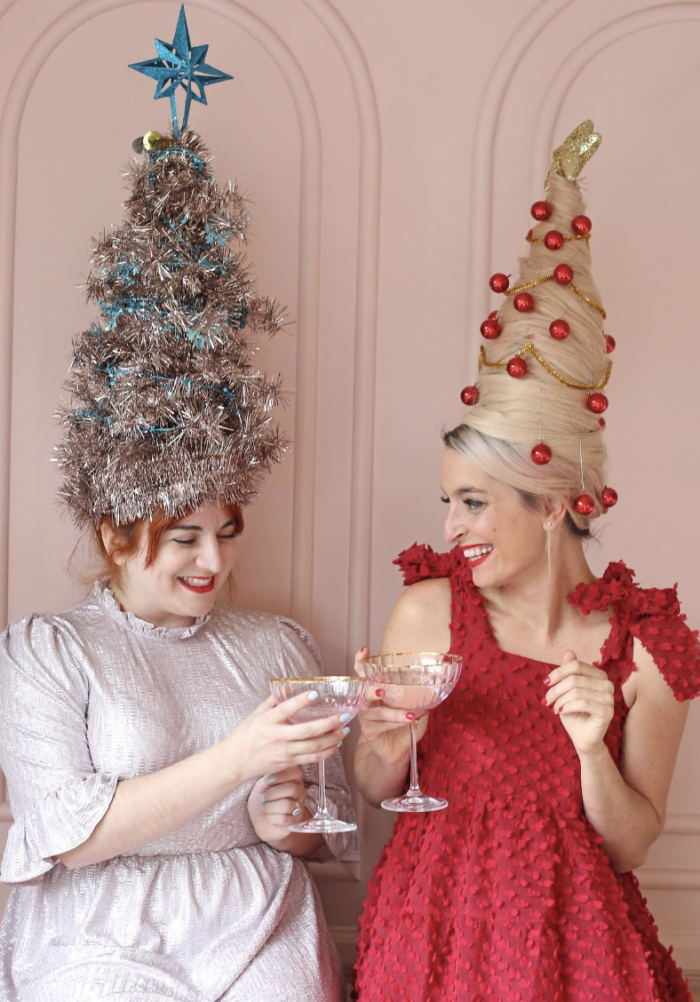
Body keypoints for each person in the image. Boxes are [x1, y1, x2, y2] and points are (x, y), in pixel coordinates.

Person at [0, 29, 357, 997]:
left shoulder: (274, 641)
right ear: (115, 533)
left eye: (225, 532)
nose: (213, 562)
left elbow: (313, 827)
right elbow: (70, 836)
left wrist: (290, 823)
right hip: (100, 927)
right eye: (183, 537)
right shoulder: (45, 651)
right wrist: (242, 754)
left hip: (254, 918)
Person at [353, 122, 699, 1001]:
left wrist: (590, 750)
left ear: (552, 506)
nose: (452, 526)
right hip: (430, 934)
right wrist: (389, 738)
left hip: (580, 958)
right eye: (449, 500)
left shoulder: (646, 646)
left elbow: (628, 844)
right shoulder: (430, 611)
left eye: (474, 502)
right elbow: (372, 783)